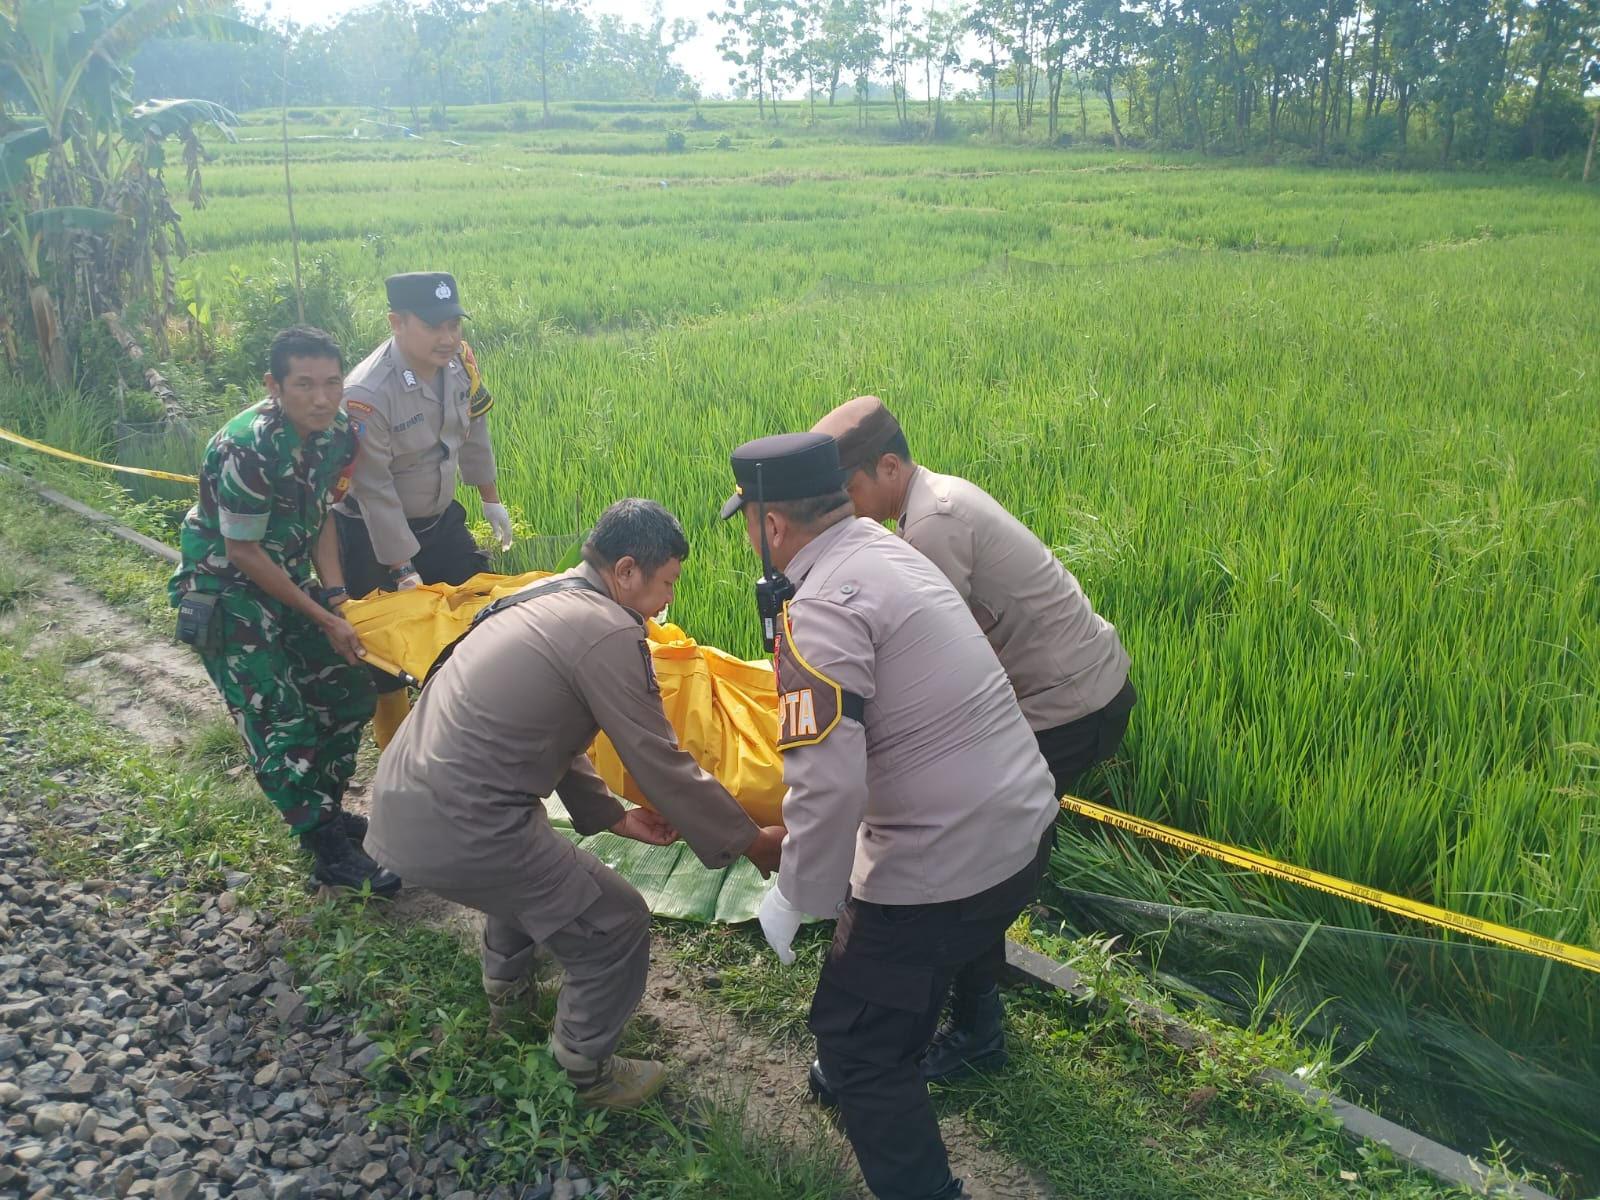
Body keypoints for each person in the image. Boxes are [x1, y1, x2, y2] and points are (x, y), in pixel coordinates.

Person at [721, 432, 1058, 1200]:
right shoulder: (890, 549)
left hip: (947, 866)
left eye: (748, 520)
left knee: (859, 1041)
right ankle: (936, 1029)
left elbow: (829, 788)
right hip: (1024, 827)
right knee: (907, 968)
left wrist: (795, 895)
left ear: (773, 526)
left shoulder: (823, 613)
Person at [367, 498, 785, 1109]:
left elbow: (552, 735)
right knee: (616, 921)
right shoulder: (609, 629)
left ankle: (508, 1006)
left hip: (404, 803)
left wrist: (613, 817)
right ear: (624, 570)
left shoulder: (538, 597)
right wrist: (750, 841)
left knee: (534, 872)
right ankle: (583, 1073)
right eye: (666, 582)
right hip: (466, 825)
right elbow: (658, 759)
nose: (669, 598)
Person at [812, 394, 1134, 1081]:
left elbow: (933, 665)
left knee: (975, 851)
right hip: (1073, 691)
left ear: (889, 466)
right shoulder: (933, 499)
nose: (841, 507)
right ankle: (976, 1001)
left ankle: (977, 1030)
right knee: (985, 851)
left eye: (849, 489)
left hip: (1066, 706)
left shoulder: (931, 526)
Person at [168, 326, 399, 897]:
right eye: (304, 385)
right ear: (274, 386)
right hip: (226, 589)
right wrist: (322, 616)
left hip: (286, 579)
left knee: (349, 692)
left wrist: (337, 597)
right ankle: (326, 846)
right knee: (278, 716)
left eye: (331, 382)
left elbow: (322, 516)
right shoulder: (245, 446)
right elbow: (243, 551)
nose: (321, 397)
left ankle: (324, 810)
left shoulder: (338, 434)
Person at [334, 270, 514, 746]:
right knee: (388, 656)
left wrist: (490, 500)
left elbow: (475, 432)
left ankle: (463, 738)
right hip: (372, 537)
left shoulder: (461, 364)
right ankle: (394, 752)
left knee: (481, 609)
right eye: (434, 326)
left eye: (454, 324)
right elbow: (373, 489)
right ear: (397, 322)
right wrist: (402, 568)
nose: (448, 337)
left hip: (439, 519)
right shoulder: (367, 394)